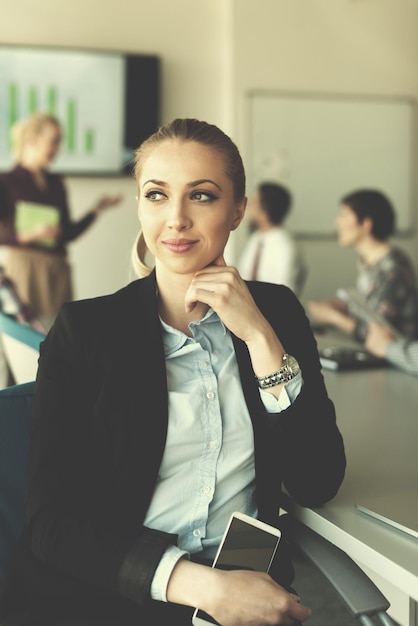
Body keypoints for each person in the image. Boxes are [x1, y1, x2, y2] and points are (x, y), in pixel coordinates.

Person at [0, 118, 346, 626]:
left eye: (202, 196)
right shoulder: (86, 330)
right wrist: (204, 587)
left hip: (245, 586)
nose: (176, 219)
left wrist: (260, 339)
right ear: (140, 205)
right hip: (115, 592)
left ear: (237, 211)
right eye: (157, 195)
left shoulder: (277, 312)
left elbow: (317, 481)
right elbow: (52, 526)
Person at [0, 112, 123, 330]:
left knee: (56, 340)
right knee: (20, 340)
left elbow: (68, 234)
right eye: (54, 141)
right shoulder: (7, 182)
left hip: (56, 274)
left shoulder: (56, 183)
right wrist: (31, 234)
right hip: (22, 274)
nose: (57, 149)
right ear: (32, 140)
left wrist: (97, 209)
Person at [307, 189, 418, 343]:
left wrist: (334, 318)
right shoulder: (368, 261)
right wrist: (346, 308)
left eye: (344, 215)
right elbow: (372, 310)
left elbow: (378, 333)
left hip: (395, 359)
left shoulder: (393, 266)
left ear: (366, 223)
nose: (337, 223)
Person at [237, 182, 307, 296]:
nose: (248, 208)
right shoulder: (256, 238)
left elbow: (283, 296)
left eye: (254, 203)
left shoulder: (285, 247)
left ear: (264, 215)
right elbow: (243, 276)